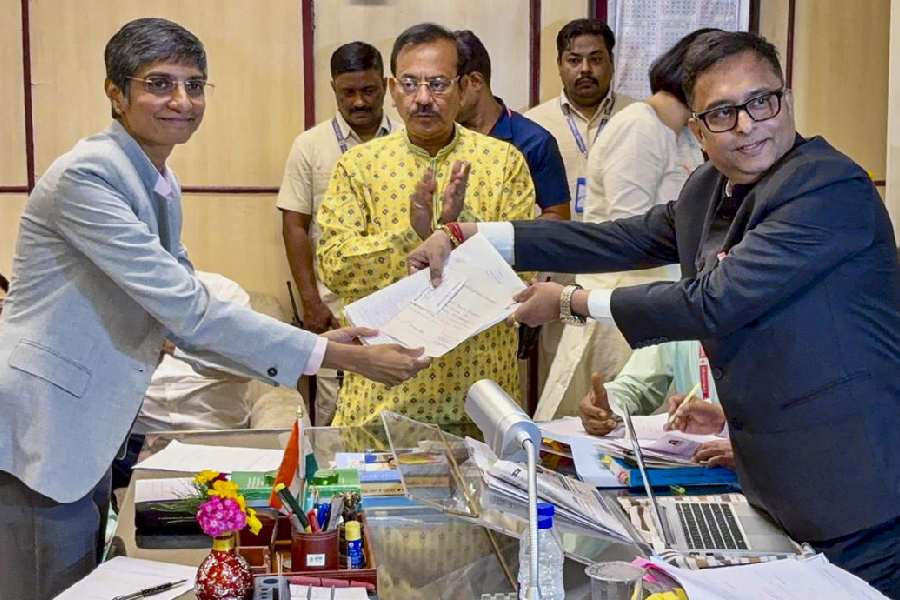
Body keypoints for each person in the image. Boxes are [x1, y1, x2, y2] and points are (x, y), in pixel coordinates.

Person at [409, 30, 900, 596]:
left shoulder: (827, 186)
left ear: (785, 101)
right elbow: (613, 241)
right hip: (780, 484)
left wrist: (571, 302)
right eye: (722, 113)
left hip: (862, 496)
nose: (747, 125)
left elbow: (714, 301)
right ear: (696, 129)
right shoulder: (708, 188)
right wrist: (468, 234)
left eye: (761, 101)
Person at [0, 18, 429, 600]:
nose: (182, 101)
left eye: (194, 85)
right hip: (45, 428)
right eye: (160, 84)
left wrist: (326, 346)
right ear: (115, 92)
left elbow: (183, 309)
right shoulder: (89, 175)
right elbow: (187, 308)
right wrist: (331, 354)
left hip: (88, 426)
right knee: (48, 587)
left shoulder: (154, 175)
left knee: (82, 580)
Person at [317, 23, 535, 427]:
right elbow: (335, 267)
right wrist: (410, 237)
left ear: (463, 87)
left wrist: (456, 232)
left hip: (482, 398)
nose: (423, 99)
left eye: (437, 84)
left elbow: (524, 271)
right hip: (383, 402)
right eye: (410, 84)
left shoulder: (503, 163)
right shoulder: (358, 167)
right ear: (393, 89)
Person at [539, 30, 711, 420]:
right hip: (621, 304)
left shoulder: (682, 133)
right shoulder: (640, 125)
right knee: (602, 426)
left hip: (657, 305)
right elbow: (627, 235)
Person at [278, 42, 394, 425]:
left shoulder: (408, 139)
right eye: (348, 92)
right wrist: (312, 301)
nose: (359, 101)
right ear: (333, 89)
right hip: (334, 308)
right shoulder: (310, 146)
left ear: (386, 85)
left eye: (369, 90)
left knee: (395, 414)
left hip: (398, 302)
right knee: (334, 416)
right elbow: (295, 225)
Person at [524, 18, 636, 221]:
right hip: (557, 245)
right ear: (559, 65)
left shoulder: (637, 118)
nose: (585, 69)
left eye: (596, 59)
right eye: (574, 60)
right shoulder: (532, 125)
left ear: (611, 62)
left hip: (623, 244)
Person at [455, 30, 569, 220]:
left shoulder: (535, 141)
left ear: (475, 81)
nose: (437, 96)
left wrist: (510, 237)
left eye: (444, 84)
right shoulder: (438, 136)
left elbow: (558, 215)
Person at [579, 340, 734, 469]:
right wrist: (608, 405)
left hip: (750, 475)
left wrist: (751, 448)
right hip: (692, 465)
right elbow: (638, 383)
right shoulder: (677, 310)